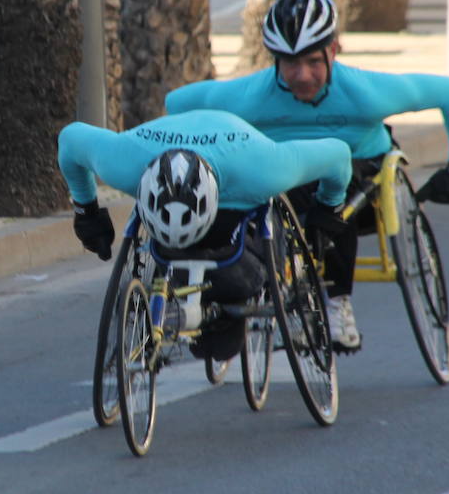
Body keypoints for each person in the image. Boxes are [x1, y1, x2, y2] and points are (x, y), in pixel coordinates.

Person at [165, 0, 449, 352]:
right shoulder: (252, 96)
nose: (302, 75)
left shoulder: (365, 92)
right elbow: (177, 104)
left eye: (314, 61)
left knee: (330, 184)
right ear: (274, 59)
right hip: (283, 177)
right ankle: (249, 296)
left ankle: (335, 302)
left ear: (334, 49)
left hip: (359, 185)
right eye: (290, 64)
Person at [58, 110, 352, 361]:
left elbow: (339, 154)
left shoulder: (265, 170)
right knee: (218, 339)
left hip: (239, 157)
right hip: (157, 143)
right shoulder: (122, 164)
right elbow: (70, 139)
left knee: (241, 290)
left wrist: (329, 209)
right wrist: (86, 212)